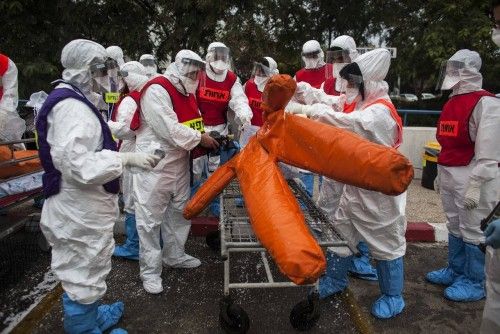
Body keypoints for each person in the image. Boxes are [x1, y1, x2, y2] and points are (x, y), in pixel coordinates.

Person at [36, 39, 160, 333]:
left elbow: (93, 137)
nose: (107, 78)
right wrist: (126, 159)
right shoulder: (70, 107)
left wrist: (124, 145)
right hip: (78, 207)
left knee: (90, 263)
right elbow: (78, 165)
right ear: (85, 70)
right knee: (83, 269)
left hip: (84, 205)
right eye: (101, 70)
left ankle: (89, 316)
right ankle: (82, 328)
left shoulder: (77, 99)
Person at [288, 48, 406, 319]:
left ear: (369, 83)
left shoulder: (379, 113)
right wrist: (304, 89)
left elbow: (347, 123)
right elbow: (333, 102)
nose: (348, 88)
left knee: (386, 243)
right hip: (354, 187)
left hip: (379, 193)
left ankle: (393, 295)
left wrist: (306, 111)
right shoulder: (361, 102)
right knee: (341, 234)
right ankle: (336, 280)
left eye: (353, 83)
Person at [132, 49, 219, 294]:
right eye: (191, 70)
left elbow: (193, 123)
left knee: (180, 211)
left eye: (197, 72)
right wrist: (200, 138)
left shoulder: (187, 92)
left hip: (179, 162)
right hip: (154, 166)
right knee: (150, 220)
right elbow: (168, 128)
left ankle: (174, 255)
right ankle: (150, 272)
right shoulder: (157, 89)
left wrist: (207, 135)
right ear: (179, 67)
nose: (194, 75)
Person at [426, 49, 499, 303]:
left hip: (472, 176)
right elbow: (446, 143)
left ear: (467, 69)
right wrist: (438, 173)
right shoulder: (452, 101)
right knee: (454, 224)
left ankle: (475, 281)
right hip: (450, 172)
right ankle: (456, 270)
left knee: (473, 229)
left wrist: (475, 186)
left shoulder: (486, 103)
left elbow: (489, 153)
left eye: (455, 67)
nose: (449, 72)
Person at [192, 42, 252, 214]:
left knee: (216, 175)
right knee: (195, 173)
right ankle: (192, 208)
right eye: (217, 56)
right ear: (209, 56)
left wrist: (244, 114)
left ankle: (216, 210)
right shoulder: (198, 74)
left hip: (220, 131)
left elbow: (239, 99)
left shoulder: (231, 78)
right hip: (198, 130)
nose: (220, 60)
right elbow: (189, 98)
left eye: (223, 56)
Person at [108, 61, 149, 261]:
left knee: (132, 199)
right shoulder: (148, 95)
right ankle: (145, 243)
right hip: (145, 151)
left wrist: (107, 125)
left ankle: (134, 246)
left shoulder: (129, 100)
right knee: (142, 197)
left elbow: (126, 130)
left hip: (131, 151)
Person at [294, 40, 333, 198]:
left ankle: (326, 205)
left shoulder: (331, 71)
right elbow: (293, 101)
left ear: (320, 53)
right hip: (307, 126)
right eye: (307, 55)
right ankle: (305, 202)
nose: (311, 58)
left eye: (313, 55)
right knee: (305, 166)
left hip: (328, 126)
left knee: (328, 168)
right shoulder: (299, 75)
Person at [240, 57, 279, 148]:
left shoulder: (275, 89)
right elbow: (241, 103)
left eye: (263, 71)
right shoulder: (248, 85)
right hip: (248, 131)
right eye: (258, 70)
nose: (259, 73)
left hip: (266, 132)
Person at [0, 53, 26, 145]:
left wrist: (1, 118)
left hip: (3, 115)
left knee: (10, 149)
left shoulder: (5, 63)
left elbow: (10, 95)